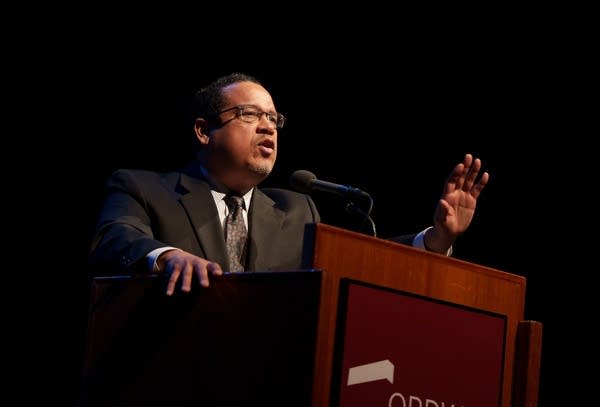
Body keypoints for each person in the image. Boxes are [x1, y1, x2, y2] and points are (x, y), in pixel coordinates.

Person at [89, 72, 489, 296]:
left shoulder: (296, 210)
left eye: (274, 119)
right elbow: (115, 236)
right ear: (203, 130)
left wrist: (434, 240)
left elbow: (363, 263)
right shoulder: (143, 189)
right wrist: (167, 256)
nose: (267, 126)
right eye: (249, 114)